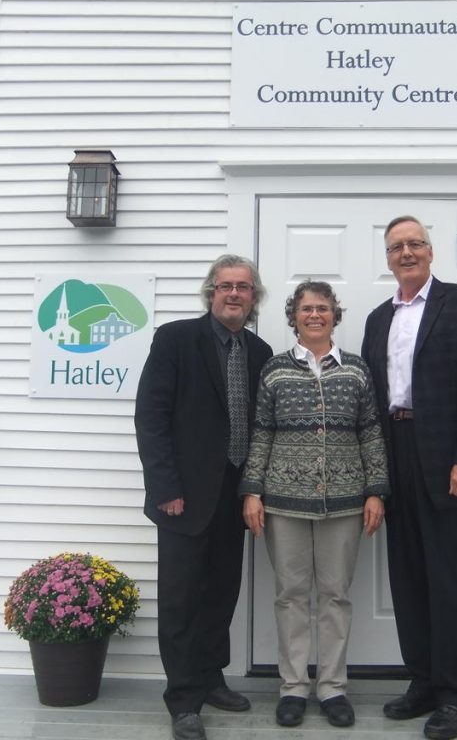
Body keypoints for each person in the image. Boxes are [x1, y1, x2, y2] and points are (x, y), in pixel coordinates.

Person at [361, 216, 457, 740]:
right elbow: (374, 398)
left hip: (447, 462)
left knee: (450, 582)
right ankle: (422, 682)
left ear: (431, 251)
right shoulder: (378, 318)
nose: (406, 252)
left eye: (415, 243)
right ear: (388, 258)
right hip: (395, 453)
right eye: (397, 246)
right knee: (409, 578)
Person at [134, 255, 273, 740]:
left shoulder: (260, 351)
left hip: (233, 499)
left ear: (254, 298)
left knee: (220, 593)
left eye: (244, 287)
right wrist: (165, 486)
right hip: (184, 499)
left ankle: (212, 679)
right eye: (225, 286)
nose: (234, 294)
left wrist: (254, 489)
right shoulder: (175, 340)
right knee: (181, 600)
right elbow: (151, 416)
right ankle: (184, 699)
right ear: (210, 293)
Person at [240, 280, 389, 729]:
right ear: (294, 316)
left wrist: (376, 491)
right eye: (306, 309)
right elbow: (261, 431)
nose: (315, 315)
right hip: (283, 503)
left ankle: (332, 687)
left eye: (323, 308)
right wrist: (252, 490)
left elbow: (371, 433)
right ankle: (292, 687)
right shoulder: (274, 370)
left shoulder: (357, 370)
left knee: (335, 596)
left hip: (344, 504)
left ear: (334, 315)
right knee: (289, 595)